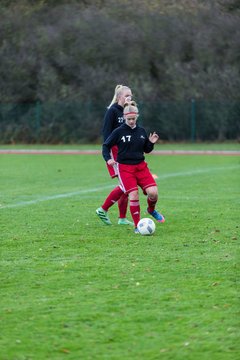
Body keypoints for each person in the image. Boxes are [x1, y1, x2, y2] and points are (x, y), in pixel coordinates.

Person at [97, 100, 165, 233]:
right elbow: (106, 146)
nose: (132, 121)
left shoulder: (141, 131)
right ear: (124, 117)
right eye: (129, 119)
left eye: (133, 118)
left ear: (137, 116)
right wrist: (108, 159)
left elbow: (146, 150)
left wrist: (151, 143)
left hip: (141, 167)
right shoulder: (118, 132)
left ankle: (151, 210)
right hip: (125, 169)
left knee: (153, 193)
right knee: (133, 195)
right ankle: (137, 226)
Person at [96, 85, 134, 226]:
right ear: (119, 97)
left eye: (131, 95)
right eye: (126, 95)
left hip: (126, 152)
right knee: (126, 185)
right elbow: (106, 135)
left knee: (126, 185)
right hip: (115, 152)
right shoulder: (112, 111)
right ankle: (103, 209)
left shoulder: (129, 112)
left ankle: (122, 218)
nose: (129, 98)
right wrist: (108, 156)